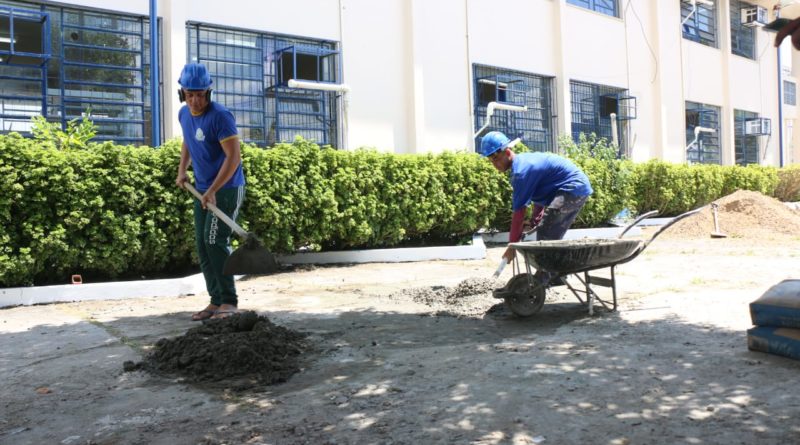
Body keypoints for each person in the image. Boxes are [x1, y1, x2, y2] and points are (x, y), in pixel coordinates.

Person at [174, 62, 246, 321]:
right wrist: (183, 170)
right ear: (182, 92)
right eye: (190, 94)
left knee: (216, 241)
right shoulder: (184, 114)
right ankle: (215, 300)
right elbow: (188, 141)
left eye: (200, 94)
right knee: (203, 246)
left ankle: (229, 300)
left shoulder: (220, 116)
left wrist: (214, 189)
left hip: (226, 188)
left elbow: (233, 158)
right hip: (202, 190)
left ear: (209, 92)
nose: (195, 100)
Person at [480, 131, 593, 267]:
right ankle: (553, 276)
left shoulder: (522, 172)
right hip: (568, 188)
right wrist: (534, 222)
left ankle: (545, 277)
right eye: (491, 160)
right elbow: (539, 196)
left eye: (496, 159)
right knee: (546, 233)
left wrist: (512, 246)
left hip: (573, 187)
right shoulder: (521, 165)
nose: (495, 164)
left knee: (547, 235)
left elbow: (519, 213)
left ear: (508, 152)